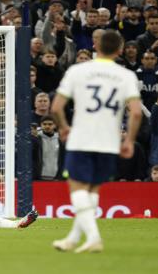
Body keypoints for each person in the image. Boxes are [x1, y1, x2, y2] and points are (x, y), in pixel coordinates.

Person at [51, 30, 142, 253]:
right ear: (120, 50)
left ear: (96, 46)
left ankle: (93, 237)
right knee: (91, 191)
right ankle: (73, 238)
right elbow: (137, 113)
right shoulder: (127, 76)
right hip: (109, 141)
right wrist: (129, 140)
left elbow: (55, 107)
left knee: (78, 189)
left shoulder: (78, 70)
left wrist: (63, 128)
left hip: (82, 138)